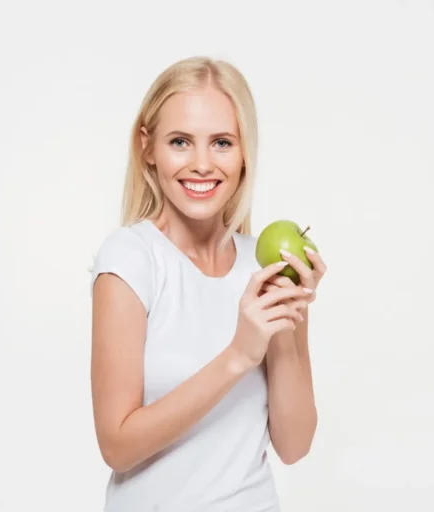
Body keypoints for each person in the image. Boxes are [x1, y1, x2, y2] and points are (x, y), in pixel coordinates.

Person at [88, 56, 328, 512]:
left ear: (243, 154)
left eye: (221, 142)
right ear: (148, 147)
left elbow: (294, 446)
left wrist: (287, 318)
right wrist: (239, 355)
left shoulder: (267, 265)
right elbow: (116, 445)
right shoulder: (131, 259)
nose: (202, 164)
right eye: (180, 141)